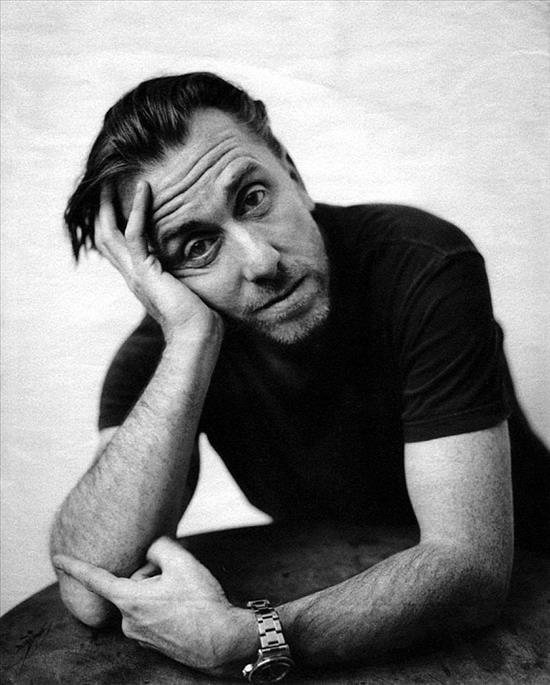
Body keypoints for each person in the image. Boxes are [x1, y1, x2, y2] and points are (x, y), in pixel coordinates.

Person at [50, 72, 550, 681]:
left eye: (253, 198)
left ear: (293, 173)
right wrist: (190, 342)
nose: (261, 261)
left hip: (531, 588)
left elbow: (470, 570)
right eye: (197, 246)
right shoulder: (169, 353)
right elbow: (90, 591)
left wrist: (249, 638)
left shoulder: (423, 265)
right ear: (158, 275)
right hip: (340, 599)